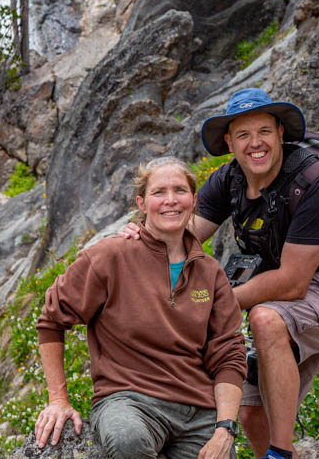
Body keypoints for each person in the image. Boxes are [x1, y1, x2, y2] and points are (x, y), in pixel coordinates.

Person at [123, 89, 319, 459]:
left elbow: (294, 281)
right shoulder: (229, 180)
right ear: (230, 142)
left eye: (264, 131)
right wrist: (139, 235)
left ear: (281, 132)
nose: (256, 144)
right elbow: (183, 239)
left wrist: (217, 303)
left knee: (265, 320)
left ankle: (279, 453)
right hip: (284, 294)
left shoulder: (315, 182)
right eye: (244, 135)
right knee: (248, 406)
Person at [33, 156, 247, 459]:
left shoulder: (211, 273)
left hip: (197, 410)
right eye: (159, 192)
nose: (170, 200)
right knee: (128, 440)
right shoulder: (109, 256)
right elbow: (51, 320)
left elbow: (229, 355)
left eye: (180, 191)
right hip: (127, 401)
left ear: (194, 200)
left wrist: (224, 429)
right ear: (142, 203)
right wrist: (58, 400)